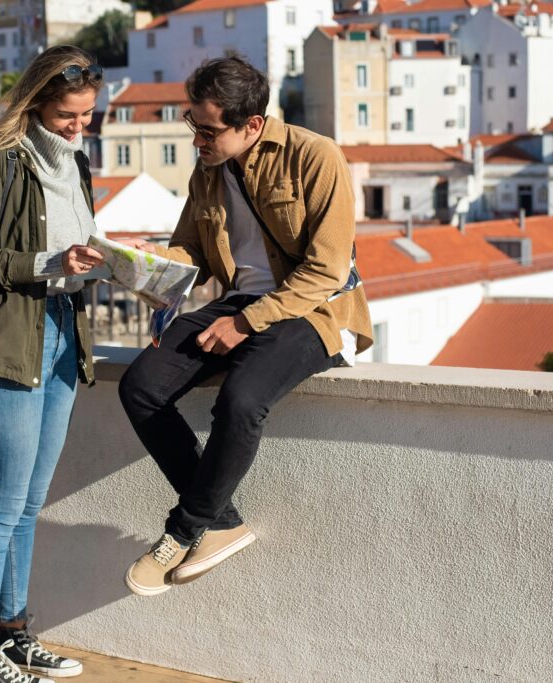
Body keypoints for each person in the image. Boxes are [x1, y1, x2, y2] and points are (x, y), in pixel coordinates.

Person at [117, 56, 373, 596]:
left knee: (240, 399)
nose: (196, 139)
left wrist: (245, 322)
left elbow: (327, 269)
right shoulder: (207, 171)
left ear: (251, 124)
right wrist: (146, 260)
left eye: (207, 129)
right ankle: (223, 524)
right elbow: (193, 252)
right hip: (240, 303)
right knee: (140, 386)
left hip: (313, 310)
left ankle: (184, 531)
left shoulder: (315, 156)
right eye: (192, 124)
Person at [0, 45, 106, 682]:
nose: (79, 127)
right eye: (69, 115)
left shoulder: (76, 161)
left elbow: (76, 245)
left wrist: (116, 264)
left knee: (29, 502)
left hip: (65, 339)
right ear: (39, 100)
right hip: (11, 342)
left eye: (89, 116)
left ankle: (14, 635)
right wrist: (49, 264)